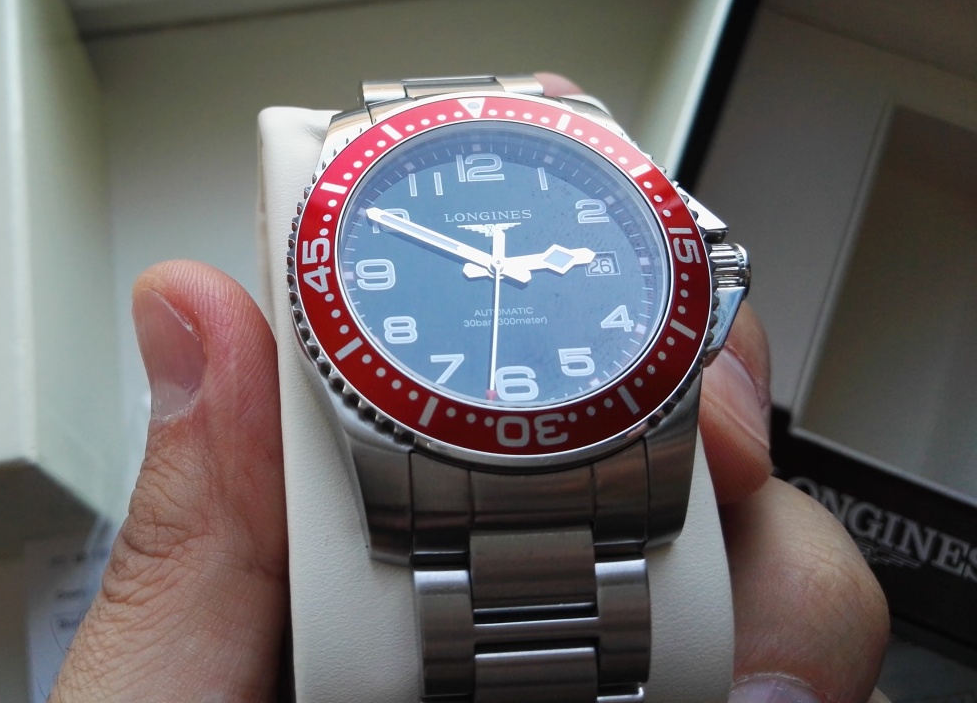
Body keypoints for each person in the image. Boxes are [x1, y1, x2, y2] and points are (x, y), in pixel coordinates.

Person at [51, 75, 890, 703]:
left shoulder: (591, 176)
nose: (501, 267)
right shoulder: (365, 215)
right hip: (419, 477)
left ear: (706, 268)